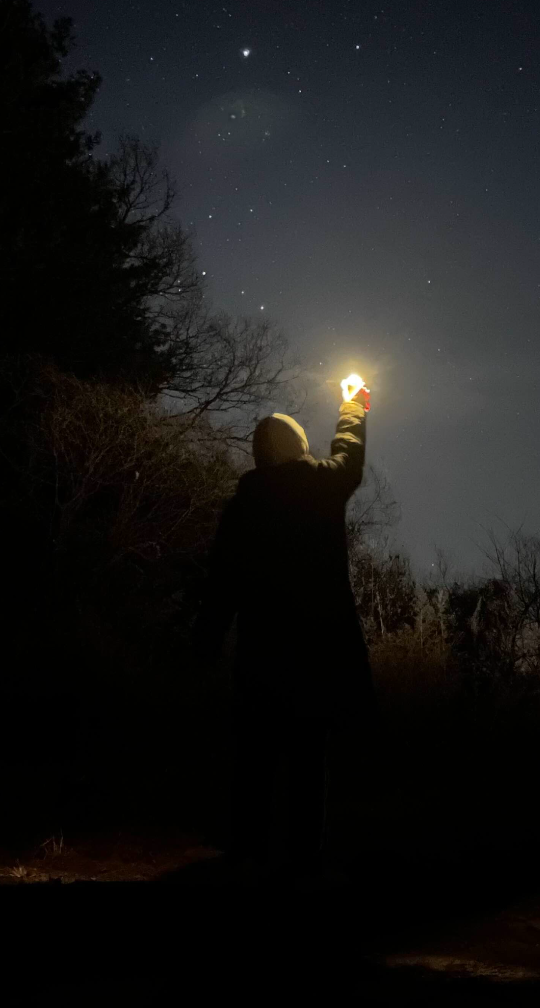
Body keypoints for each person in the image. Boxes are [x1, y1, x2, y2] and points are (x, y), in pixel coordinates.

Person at [193, 374, 375, 882]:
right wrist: (355, 402)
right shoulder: (322, 484)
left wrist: (203, 646)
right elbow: (350, 453)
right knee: (307, 762)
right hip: (316, 656)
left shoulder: (242, 507)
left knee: (254, 758)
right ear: (298, 446)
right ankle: (301, 865)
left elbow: (221, 584)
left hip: (261, 655)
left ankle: (245, 853)